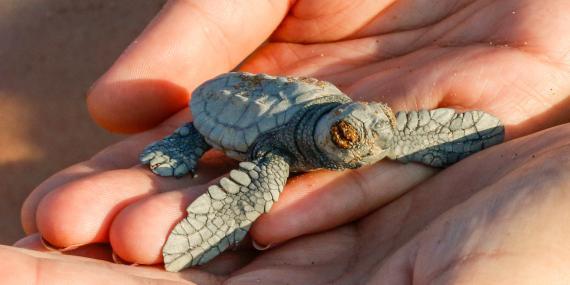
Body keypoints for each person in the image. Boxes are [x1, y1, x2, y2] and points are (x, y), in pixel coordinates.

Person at [5, 0, 570, 283]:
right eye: (350, 138)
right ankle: (181, 145)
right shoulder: (278, 152)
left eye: (368, 127)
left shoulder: (365, 128)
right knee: (240, 187)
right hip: (227, 105)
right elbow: (248, 184)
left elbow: (392, 130)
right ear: (328, 138)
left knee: (413, 133)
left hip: (300, 99)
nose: (365, 147)